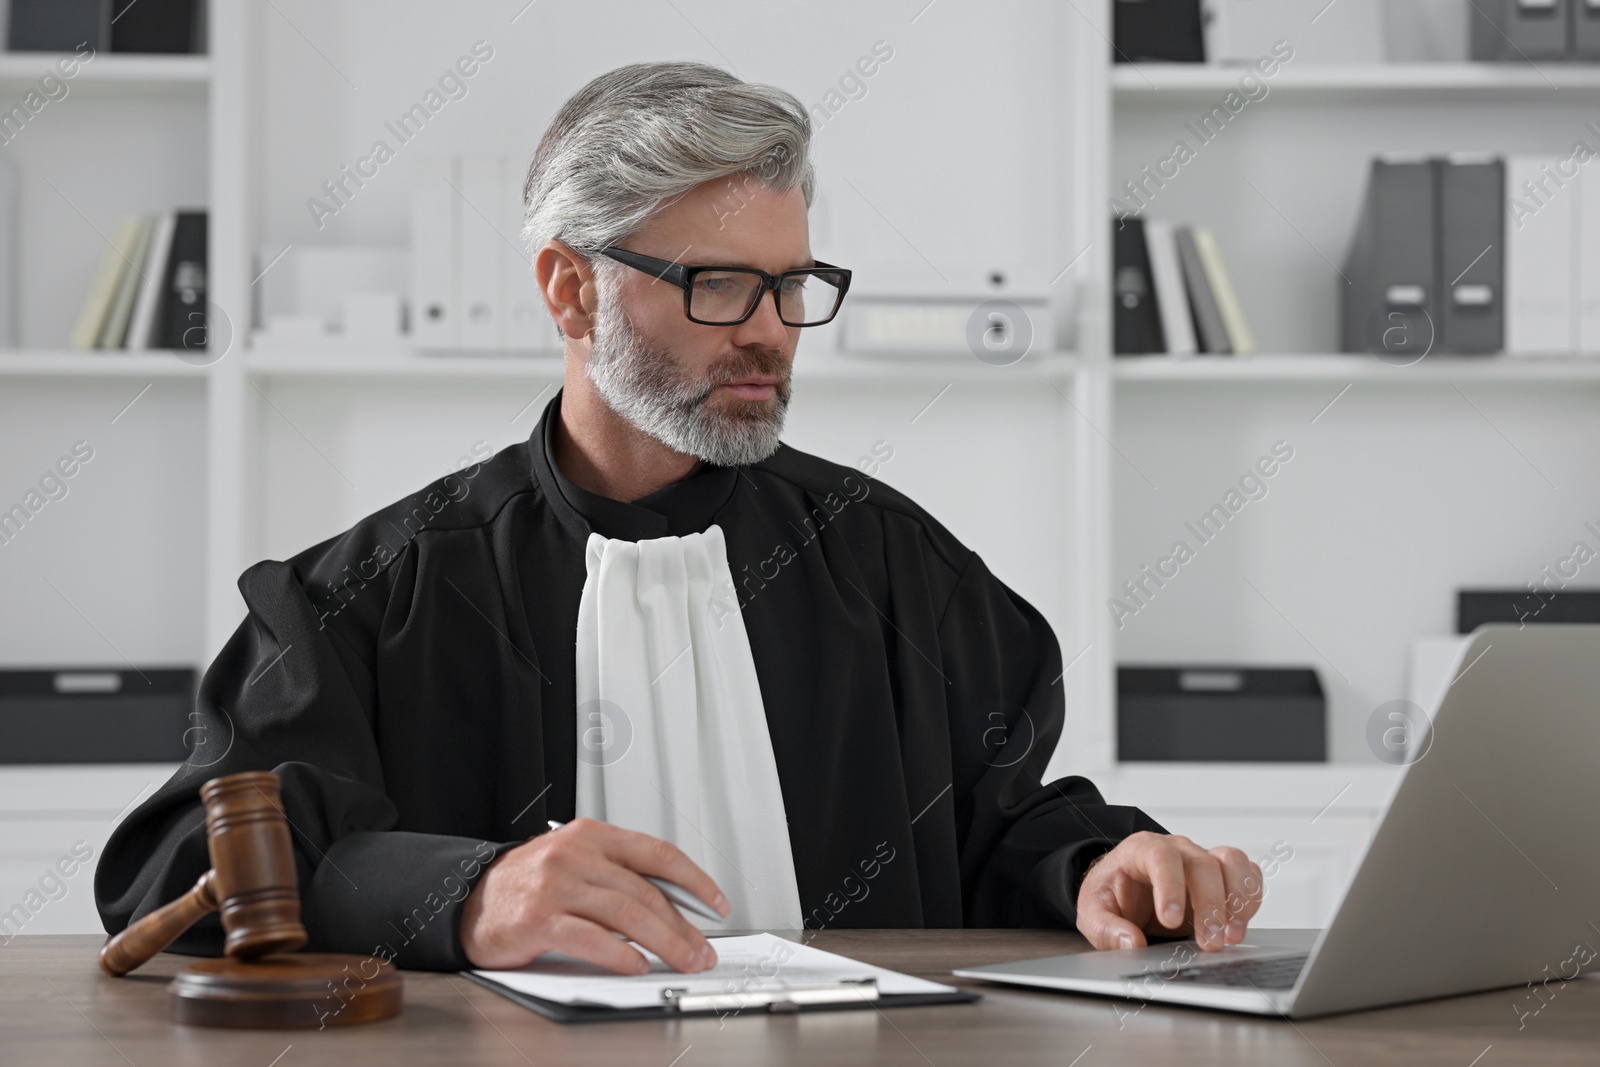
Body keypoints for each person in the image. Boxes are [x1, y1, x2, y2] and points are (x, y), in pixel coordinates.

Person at [96, 61, 1264, 976]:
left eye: (792, 285)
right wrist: (464, 895)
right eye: (717, 285)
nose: (767, 330)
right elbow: (170, 870)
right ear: (570, 287)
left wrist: (1104, 864)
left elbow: (998, 825)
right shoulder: (363, 598)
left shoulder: (896, 563)